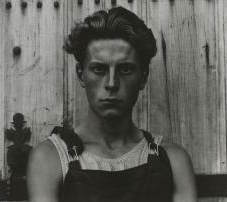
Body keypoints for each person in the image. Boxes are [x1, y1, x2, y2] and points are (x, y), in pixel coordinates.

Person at [27, 6, 197, 202]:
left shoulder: (174, 161)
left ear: (143, 77)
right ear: (81, 75)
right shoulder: (50, 159)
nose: (111, 83)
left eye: (125, 70)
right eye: (99, 69)